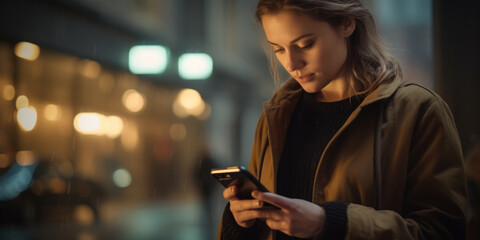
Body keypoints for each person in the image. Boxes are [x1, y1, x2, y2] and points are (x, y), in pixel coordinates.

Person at [217, 0, 467, 239]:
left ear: (347, 24)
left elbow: (443, 231)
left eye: (305, 44)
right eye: (278, 49)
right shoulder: (276, 116)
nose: (291, 64)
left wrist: (330, 223)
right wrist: (240, 221)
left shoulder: (417, 111)